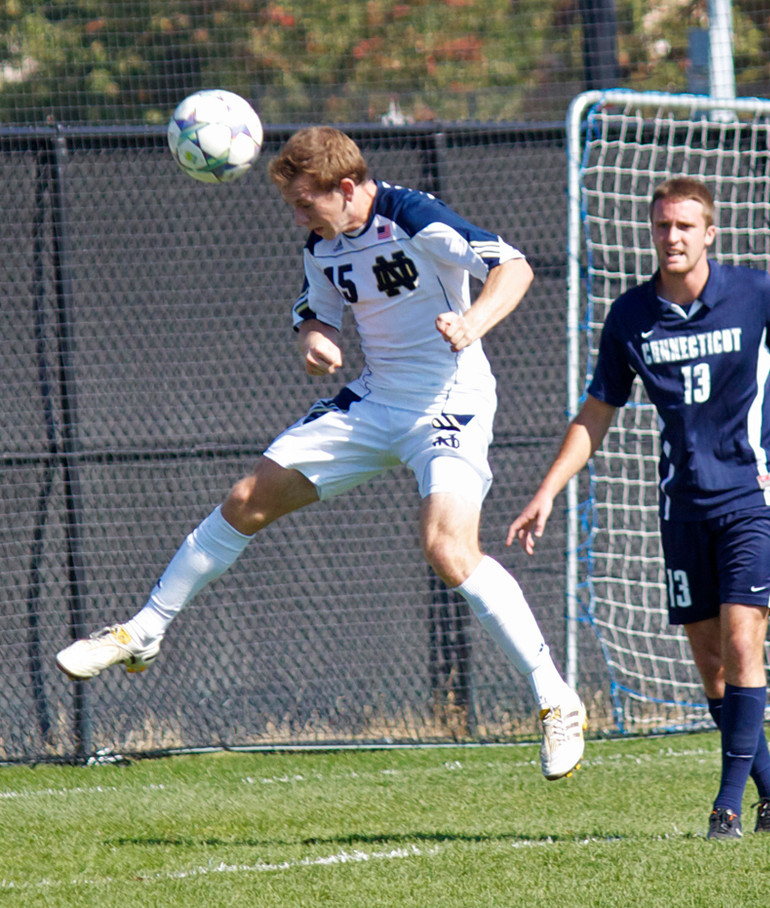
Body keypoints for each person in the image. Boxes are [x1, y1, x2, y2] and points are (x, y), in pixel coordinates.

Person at [57, 126, 586, 781]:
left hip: (451, 401)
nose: (299, 216)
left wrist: (473, 322)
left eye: (305, 202)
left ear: (344, 188)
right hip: (373, 402)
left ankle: (555, 699)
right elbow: (318, 310)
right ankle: (144, 629)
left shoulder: (414, 217)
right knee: (249, 500)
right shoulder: (324, 244)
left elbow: (514, 266)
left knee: (448, 549)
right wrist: (317, 339)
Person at [507, 176, 770, 834]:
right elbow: (596, 414)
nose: (671, 237)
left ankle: (727, 809)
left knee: (741, 644)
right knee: (709, 662)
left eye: (684, 226)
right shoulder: (630, 317)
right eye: (660, 227)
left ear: (709, 232)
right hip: (683, 509)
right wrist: (546, 491)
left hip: (754, 500)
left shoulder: (755, 295)